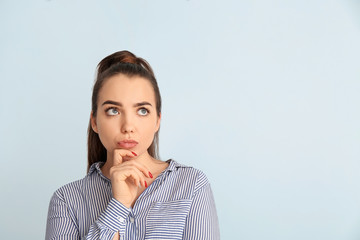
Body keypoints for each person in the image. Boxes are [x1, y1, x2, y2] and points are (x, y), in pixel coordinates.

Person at [45, 50, 220, 240]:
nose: (128, 126)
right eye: (113, 110)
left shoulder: (191, 185)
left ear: (157, 121)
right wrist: (118, 205)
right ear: (94, 121)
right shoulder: (67, 200)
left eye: (142, 111)